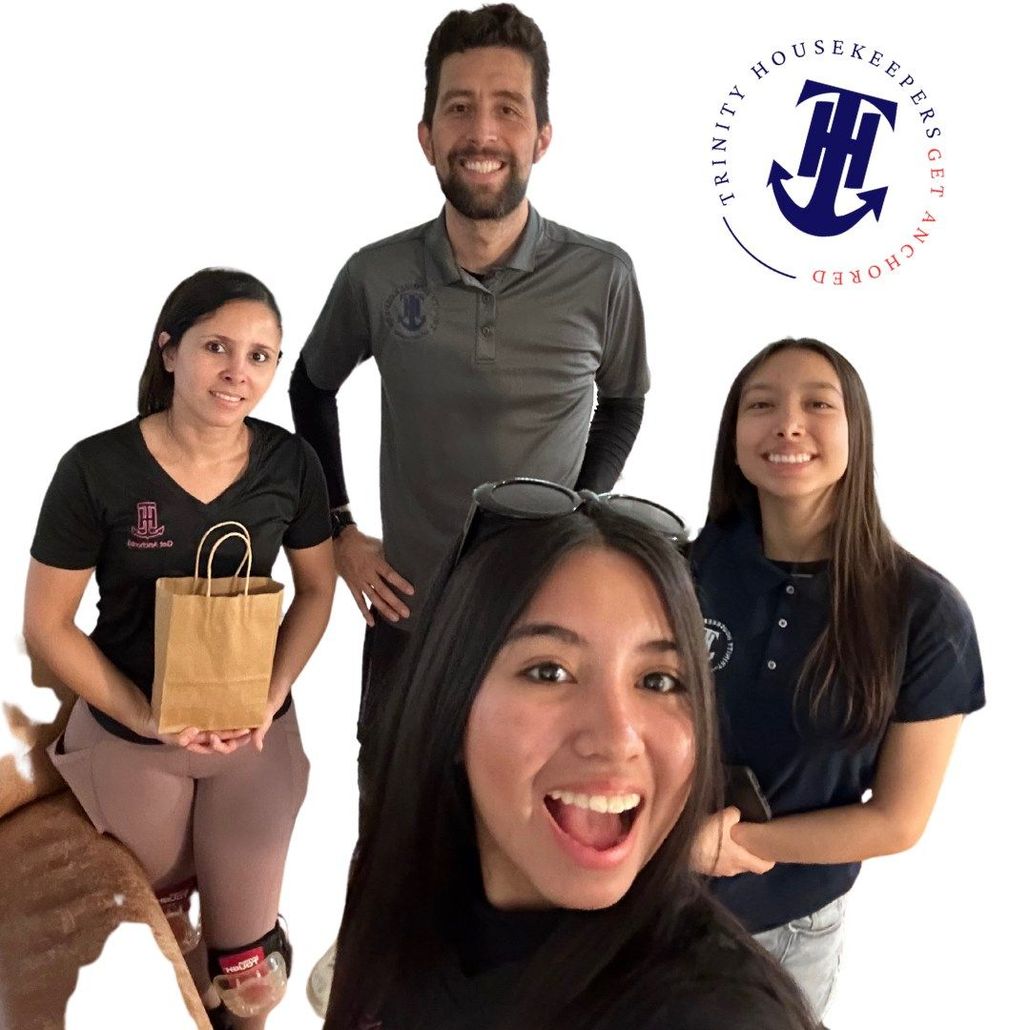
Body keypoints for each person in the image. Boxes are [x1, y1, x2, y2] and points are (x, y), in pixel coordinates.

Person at [289, 0, 649, 757]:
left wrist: (581, 513)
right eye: (459, 109)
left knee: (526, 843)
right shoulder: (376, 275)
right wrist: (339, 530)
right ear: (426, 137)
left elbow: (624, 401)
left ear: (541, 136)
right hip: (409, 618)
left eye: (507, 109)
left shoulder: (602, 276)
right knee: (394, 838)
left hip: (544, 620)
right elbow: (311, 386)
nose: (482, 133)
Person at [323, 481, 817, 1030]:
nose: (617, 737)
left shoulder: (714, 1012)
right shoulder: (398, 896)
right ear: (453, 706)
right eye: (548, 672)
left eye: (658, 680)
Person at [23, 269, 336, 1029]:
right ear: (169, 350)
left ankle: (243, 963)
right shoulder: (96, 470)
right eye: (217, 347)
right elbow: (47, 626)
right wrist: (144, 713)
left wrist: (271, 692)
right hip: (133, 736)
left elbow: (318, 591)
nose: (238, 372)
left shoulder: (290, 466)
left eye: (262, 356)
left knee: (247, 974)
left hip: (251, 734)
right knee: (159, 948)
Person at [689, 339, 985, 1020]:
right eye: (761, 405)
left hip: (783, 936)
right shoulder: (675, 573)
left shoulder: (923, 611)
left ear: (857, 433)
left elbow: (896, 820)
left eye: (818, 405)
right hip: (638, 906)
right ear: (733, 439)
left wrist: (734, 846)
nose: (788, 424)